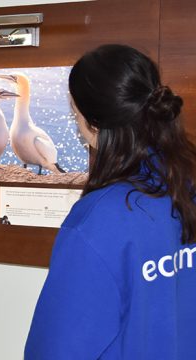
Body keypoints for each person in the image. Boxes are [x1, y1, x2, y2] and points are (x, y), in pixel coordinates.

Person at [24, 44, 196, 359]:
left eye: (74, 112)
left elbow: (56, 349)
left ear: (94, 123)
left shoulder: (99, 219)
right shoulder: (187, 187)